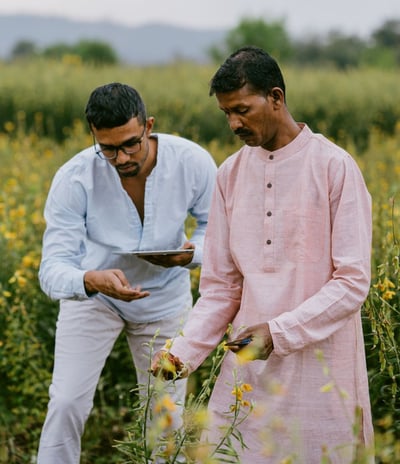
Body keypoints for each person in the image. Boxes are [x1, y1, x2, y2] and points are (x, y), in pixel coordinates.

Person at [151, 46, 374, 463]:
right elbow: (221, 288)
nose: (234, 123)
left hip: (322, 372)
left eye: (242, 110)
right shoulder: (229, 175)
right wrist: (182, 352)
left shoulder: (334, 166)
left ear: (276, 97)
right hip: (248, 375)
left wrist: (278, 332)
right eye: (226, 113)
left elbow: (352, 282)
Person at [36, 82, 217, 464]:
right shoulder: (74, 177)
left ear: (148, 125)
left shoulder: (192, 161)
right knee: (66, 402)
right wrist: (89, 280)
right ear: (93, 135)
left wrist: (191, 254)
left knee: (165, 413)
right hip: (96, 298)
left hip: (165, 300)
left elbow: (217, 227)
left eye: (131, 144)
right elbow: (52, 267)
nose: (121, 158)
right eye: (108, 148)